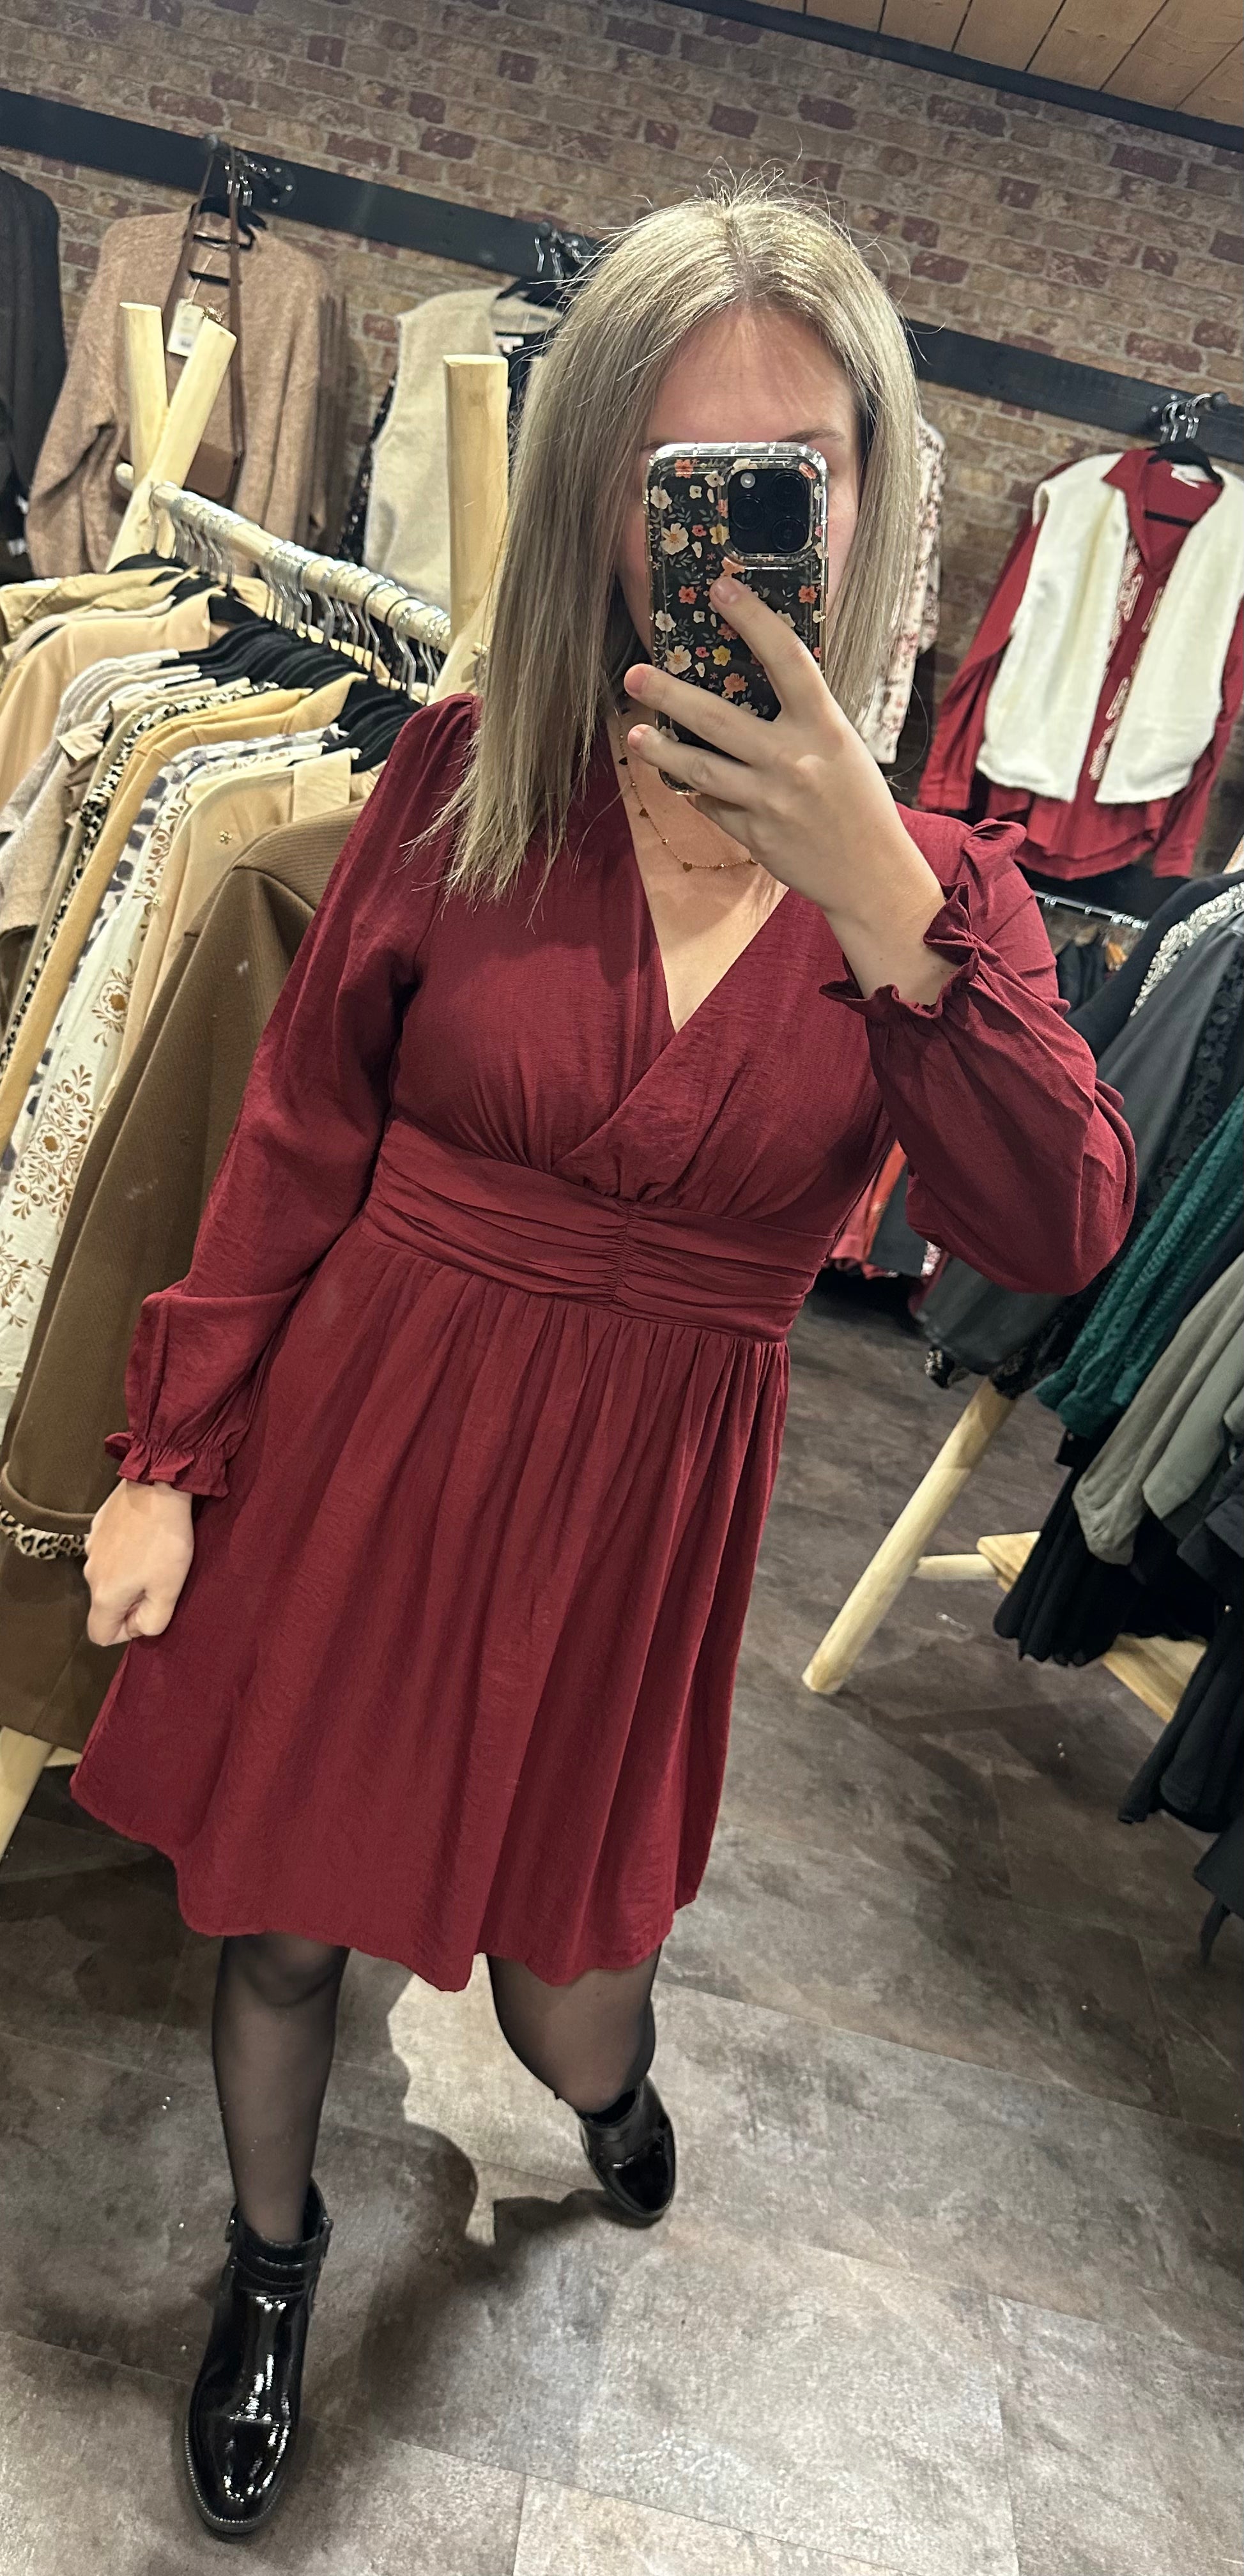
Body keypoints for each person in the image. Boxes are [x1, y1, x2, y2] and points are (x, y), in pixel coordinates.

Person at [75, 180, 1135, 2542]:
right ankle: (271, 2265)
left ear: (868, 502)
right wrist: (168, 1452)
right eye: (680, 478)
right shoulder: (466, 779)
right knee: (281, 1916)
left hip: (646, 1493)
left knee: (574, 1969)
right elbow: (296, 1136)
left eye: (790, 475)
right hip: (371, 1429)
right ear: (594, 507)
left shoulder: (943, 898)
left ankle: (603, 2101)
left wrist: (882, 901)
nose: (735, 535)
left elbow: (1057, 1228)